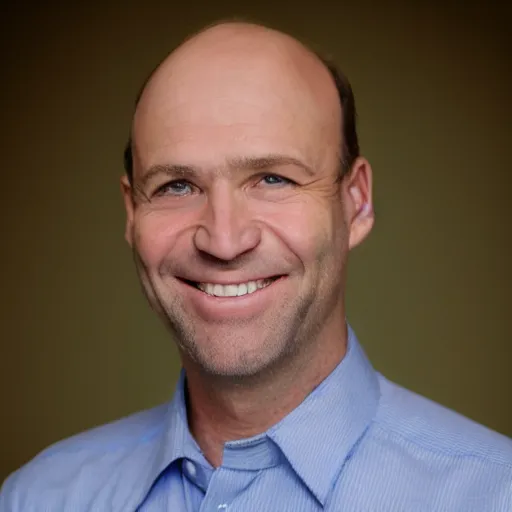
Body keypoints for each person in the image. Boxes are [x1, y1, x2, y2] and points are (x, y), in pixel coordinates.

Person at [1, 20, 511, 512]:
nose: (224, 241)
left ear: (355, 201)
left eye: (273, 179)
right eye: (177, 185)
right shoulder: (36, 498)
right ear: (132, 213)